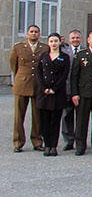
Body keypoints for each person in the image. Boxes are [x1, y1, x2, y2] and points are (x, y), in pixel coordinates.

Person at [10, 24, 45, 152]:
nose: (34, 34)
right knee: (19, 116)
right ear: (27, 34)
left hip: (38, 85)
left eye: (36, 32)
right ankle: (18, 142)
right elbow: (14, 65)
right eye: (31, 31)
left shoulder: (44, 48)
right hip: (22, 85)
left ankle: (37, 141)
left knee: (37, 116)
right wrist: (20, 78)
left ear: (39, 34)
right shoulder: (18, 47)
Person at [36, 33, 70, 156]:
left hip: (58, 93)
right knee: (44, 121)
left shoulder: (64, 57)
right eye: (51, 41)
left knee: (55, 121)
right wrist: (44, 88)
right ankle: (47, 145)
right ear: (48, 43)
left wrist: (54, 88)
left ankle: (53, 146)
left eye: (56, 41)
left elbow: (64, 75)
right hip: (44, 94)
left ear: (59, 42)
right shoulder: (43, 56)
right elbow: (39, 73)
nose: (53, 43)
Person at [59, 29, 83, 151]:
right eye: (73, 38)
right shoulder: (63, 51)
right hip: (67, 90)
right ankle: (68, 141)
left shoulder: (85, 51)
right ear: (69, 39)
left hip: (82, 90)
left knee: (81, 117)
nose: (75, 40)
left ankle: (80, 140)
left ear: (81, 39)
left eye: (77, 38)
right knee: (67, 116)